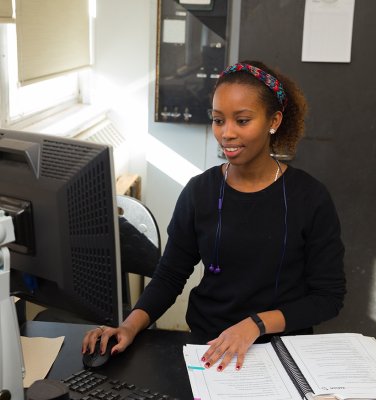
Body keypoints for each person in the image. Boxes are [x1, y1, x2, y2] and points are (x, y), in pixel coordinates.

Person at [82, 61, 346, 372]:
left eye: (242, 120)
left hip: (281, 350)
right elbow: (170, 275)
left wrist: (256, 324)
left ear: (273, 120)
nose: (227, 133)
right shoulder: (200, 192)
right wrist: (128, 326)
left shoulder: (310, 197)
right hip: (209, 346)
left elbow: (328, 296)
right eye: (218, 120)